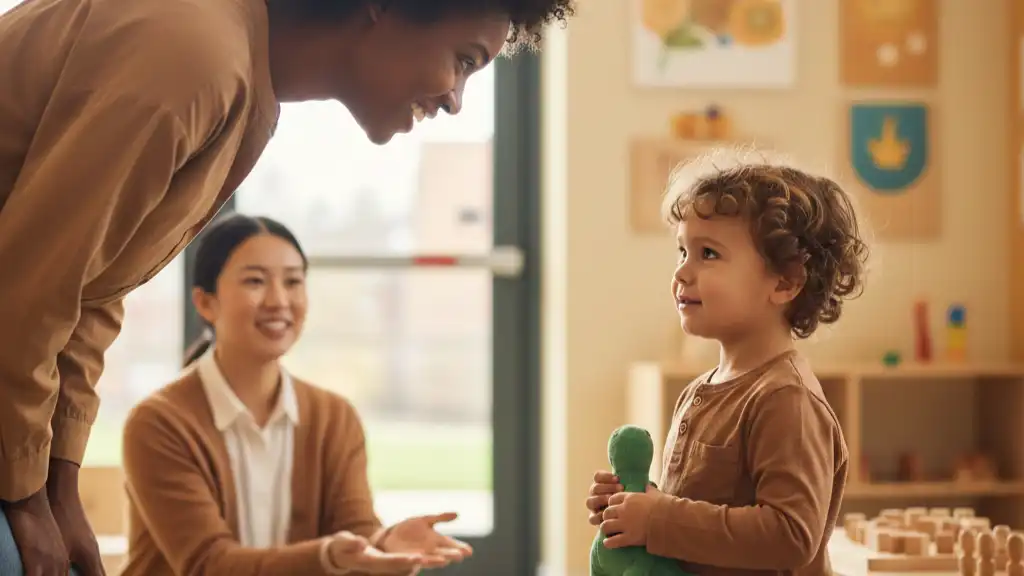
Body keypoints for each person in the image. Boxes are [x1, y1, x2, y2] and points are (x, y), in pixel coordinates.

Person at [0, 0, 574, 573]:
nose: (455, 100)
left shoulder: (244, 88)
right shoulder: (194, 54)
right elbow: (28, 289)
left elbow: (92, 292)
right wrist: (25, 499)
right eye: (463, 61)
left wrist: (58, 486)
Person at [118, 213, 472, 575]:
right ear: (206, 303)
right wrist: (327, 557)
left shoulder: (334, 417)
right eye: (255, 281)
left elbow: (355, 531)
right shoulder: (159, 423)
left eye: (293, 282)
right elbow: (208, 565)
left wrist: (384, 543)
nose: (278, 300)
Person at [585, 148, 870, 575]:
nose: (682, 273)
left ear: (786, 282)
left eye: (709, 254)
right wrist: (638, 502)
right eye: (682, 252)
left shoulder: (786, 400)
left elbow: (790, 534)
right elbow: (707, 512)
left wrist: (658, 520)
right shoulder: (702, 390)